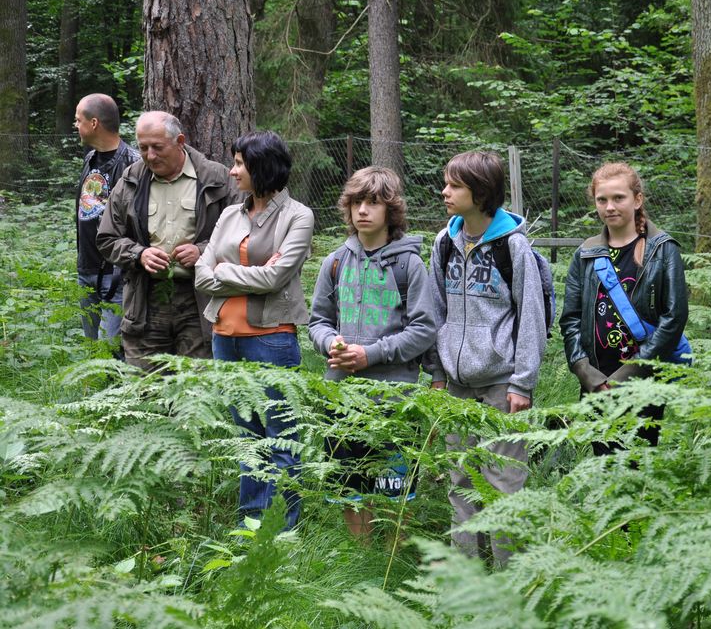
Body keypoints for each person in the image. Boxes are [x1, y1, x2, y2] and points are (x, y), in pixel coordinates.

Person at [426, 150, 546, 566]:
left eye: (454, 185)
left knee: (503, 484)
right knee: (460, 481)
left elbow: (531, 316)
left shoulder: (513, 247)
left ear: (480, 193)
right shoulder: (444, 243)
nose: (444, 192)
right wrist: (437, 372)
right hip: (456, 385)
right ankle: (467, 578)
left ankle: (510, 579)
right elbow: (435, 312)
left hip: (502, 384)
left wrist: (522, 383)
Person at [308, 165, 436, 540]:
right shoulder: (335, 261)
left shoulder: (409, 264)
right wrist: (330, 342)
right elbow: (318, 321)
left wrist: (371, 354)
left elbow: (424, 329)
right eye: (356, 202)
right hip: (341, 396)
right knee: (350, 489)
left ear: (390, 210)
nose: (362, 210)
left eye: (373, 203)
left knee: (394, 491)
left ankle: (392, 560)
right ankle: (361, 556)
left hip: (394, 398)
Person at [194, 130, 313, 530]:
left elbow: (276, 278)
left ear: (262, 167)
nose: (232, 172)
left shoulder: (298, 216)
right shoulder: (230, 214)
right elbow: (201, 274)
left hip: (272, 339)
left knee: (281, 437)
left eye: (239, 164)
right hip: (224, 338)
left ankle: (284, 530)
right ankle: (252, 526)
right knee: (247, 439)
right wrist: (247, 274)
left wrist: (223, 270)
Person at [96, 111, 240, 370]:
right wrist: (139, 254)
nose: (150, 155)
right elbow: (107, 238)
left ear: (180, 141)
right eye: (143, 148)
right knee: (144, 384)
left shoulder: (217, 179)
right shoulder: (130, 180)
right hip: (145, 299)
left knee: (196, 384)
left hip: (200, 300)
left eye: (157, 147)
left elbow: (242, 237)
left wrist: (202, 252)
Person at [559, 161, 688, 451]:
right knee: (602, 460)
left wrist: (629, 373)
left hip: (643, 379)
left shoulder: (661, 249)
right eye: (601, 199)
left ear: (637, 199)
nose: (610, 207)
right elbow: (571, 319)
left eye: (619, 198)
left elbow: (674, 316)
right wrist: (584, 370)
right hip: (596, 381)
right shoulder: (586, 254)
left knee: (636, 460)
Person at [73, 93, 140, 349]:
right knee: (93, 353)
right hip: (86, 270)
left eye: (78, 120)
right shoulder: (90, 158)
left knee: (109, 354)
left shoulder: (133, 164)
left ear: (94, 123)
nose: (75, 125)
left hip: (116, 276)